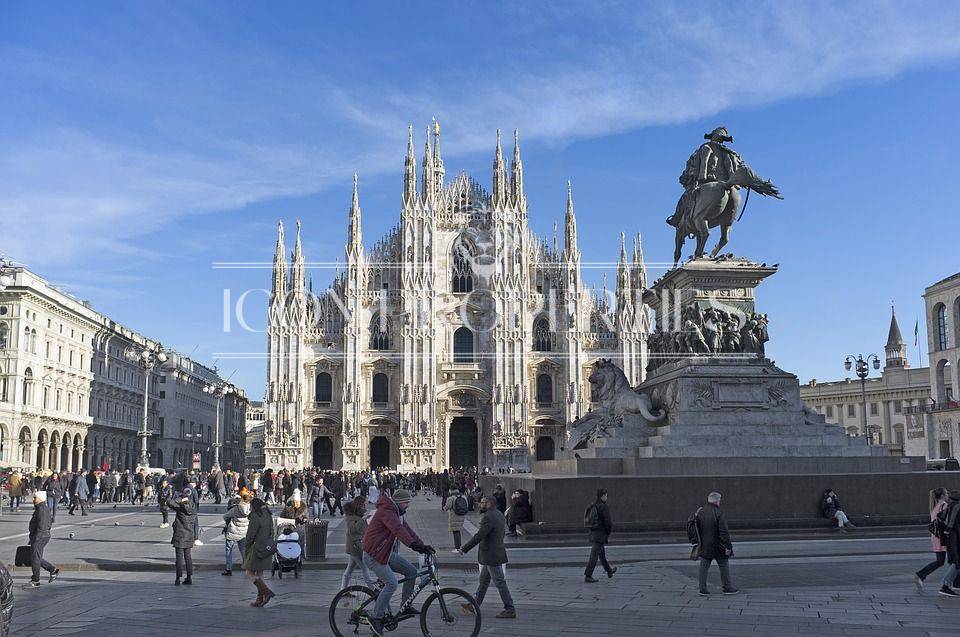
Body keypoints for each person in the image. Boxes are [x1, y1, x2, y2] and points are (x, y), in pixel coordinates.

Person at [361, 489, 434, 636]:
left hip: (385, 554)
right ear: (399, 502)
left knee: (411, 572)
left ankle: (405, 605)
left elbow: (408, 531)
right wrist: (413, 545)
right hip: (373, 555)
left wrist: (422, 546)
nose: (408, 505)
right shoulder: (387, 511)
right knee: (392, 583)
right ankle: (376, 617)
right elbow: (397, 530)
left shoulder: (397, 513)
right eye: (406, 502)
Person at [456, 495, 516, 619]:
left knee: (500, 582)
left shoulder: (488, 517)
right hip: (495, 552)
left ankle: (510, 609)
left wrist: (464, 548)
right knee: (483, 581)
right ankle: (474, 605)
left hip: (491, 555)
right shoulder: (499, 514)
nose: (480, 504)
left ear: (489, 503)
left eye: (483, 502)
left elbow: (479, 535)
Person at [695, 492, 738, 596]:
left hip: (705, 544)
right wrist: (728, 546)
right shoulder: (719, 512)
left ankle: (702, 589)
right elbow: (724, 532)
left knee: (704, 567)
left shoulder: (700, 512)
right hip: (719, 545)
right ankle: (727, 587)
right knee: (723, 565)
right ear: (717, 501)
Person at [242, 497, 276, 607]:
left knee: (249, 572)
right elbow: (272, 531)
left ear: (254, 507)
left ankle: (266, 591)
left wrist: (247, 548)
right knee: (260, 574)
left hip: (256, 547)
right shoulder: (268, 514)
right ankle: (259, 599)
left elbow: (250, 535)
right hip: (266, 547)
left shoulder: (256, 516)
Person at [23, 491, 59, 589]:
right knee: (35, 557)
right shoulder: (40, 507)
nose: (33, 499)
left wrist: (36, 537)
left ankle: (36, 580)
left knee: (35, 558)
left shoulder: (42, 509)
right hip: (40, 536)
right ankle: (52, 570)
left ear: (40, 498)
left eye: (35, 497)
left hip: (40, 536)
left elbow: (42, 525)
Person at [916, 487, 950, 591]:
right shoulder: (944, 505)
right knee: (953, 560)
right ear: (943, 496)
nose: (948, 495)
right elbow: (947, 521)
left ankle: (921, 575)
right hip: (943, 536)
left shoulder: (934, 506)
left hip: (935, 536)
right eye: (946, 493)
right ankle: (951, 583)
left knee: (940, 561)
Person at [341, 495, 376, 592]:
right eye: (363, 505)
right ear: (358, 505)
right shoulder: (351, 517)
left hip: (356, 545)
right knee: (365, 569)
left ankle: (343, 590)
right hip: (356, 546)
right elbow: (353, 529)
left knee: (349, 569)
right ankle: (373, 590)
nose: (365, 506)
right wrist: (363, 520)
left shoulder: (357, 516)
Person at [584, 488, 617, 582]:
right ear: (602, 496)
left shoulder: (594, 505)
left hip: (594, 533)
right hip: (600, 535)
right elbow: (608, 522)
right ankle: (588, 575)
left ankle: (609, 571)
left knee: (601, 555)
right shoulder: (603, 507)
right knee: (594, 556)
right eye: (606, 495)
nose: (607, 497)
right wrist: (608, 532)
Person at [168, 488, 197, 585]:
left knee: (179, 557)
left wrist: (179, 499)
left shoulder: (179, 506)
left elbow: (169, 502)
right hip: (189, 534)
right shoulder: (193, 506)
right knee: (188, 556)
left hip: (180, 534)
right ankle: (189, 577)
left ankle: (178, 578)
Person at [223, 490, 252, 576]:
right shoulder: (251, 509)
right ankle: (247, 568)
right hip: (243, 533)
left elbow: (225, 516)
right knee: (243, 551)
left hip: (232, 532)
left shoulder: (235, 509)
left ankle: (228, 569)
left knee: (229, 551)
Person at [937, 489, 960, 597]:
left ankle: (947, 585)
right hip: (955, 537)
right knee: (957, 561)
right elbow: (951, 524)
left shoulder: (950, 506)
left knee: (956, 561)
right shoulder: (957, 506)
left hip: (952, 537)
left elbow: (941, 517)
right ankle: (945, 586)